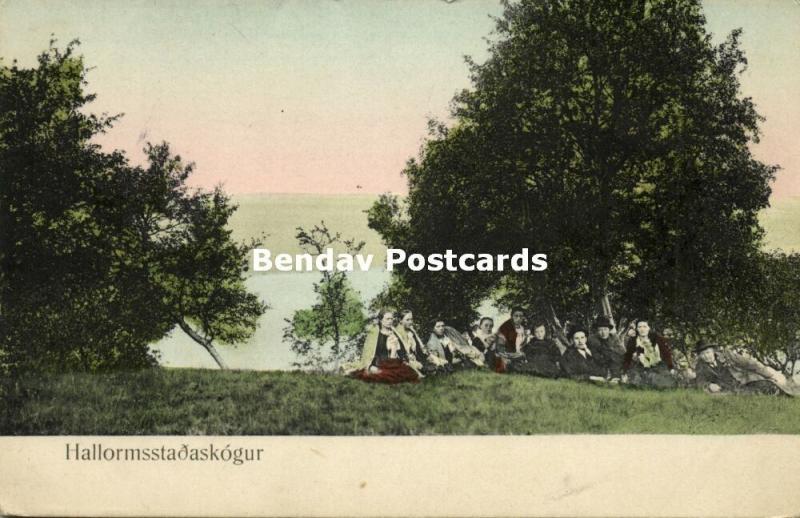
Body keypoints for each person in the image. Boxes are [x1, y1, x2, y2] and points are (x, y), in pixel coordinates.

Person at [694, 341, 797, 396]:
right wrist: (709, 385)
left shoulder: (727, 355)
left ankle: (790, 397)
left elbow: (750, 363)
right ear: (700, 356)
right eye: (702, 354)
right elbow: (700, 382)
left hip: (741, 384)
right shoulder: (700, 366)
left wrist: (770, 375)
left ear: (713, 351)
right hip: (725, 392)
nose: (706, 356)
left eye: (707, 352)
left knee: (768, 385)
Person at [348, 310, 419, 384]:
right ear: (381, 320)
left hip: (393, 362)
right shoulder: (374, 335)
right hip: (378, 363)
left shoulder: (395, 334)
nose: (390, 321)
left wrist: (405, 360)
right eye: (387, 319)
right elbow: (369, 353)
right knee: (382, 374)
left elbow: (401, 352)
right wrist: (370, 366)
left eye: (391, 319)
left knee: (408, 374)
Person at [622, 319, 677, 389]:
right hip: (640, 367)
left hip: (656, 365)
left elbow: (666, 353)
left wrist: (670, 367)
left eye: (644, 326)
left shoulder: (657, 338)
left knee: (664, 385)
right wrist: (624, 371)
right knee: (635, 385)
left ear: (649, 328)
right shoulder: (633, 340)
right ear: (636, 329)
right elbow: (628, 357)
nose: (642, 329)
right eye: (639, 327)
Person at [394, 310, 449, 375]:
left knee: (444, 365)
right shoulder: (398, 334)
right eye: (407, 320)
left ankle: (433, 368)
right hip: (407, 360)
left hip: (418, 357)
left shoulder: (411, 331)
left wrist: (429, 356)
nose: (410, 322)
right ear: (400, 320)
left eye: (411, 319)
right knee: (432, 369)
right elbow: (402, 353)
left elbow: (420, 348)